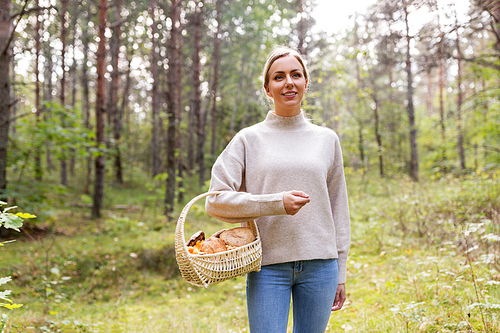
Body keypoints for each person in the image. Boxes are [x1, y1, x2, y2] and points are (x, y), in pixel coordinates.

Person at [205, 46, 350, 333]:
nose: (289, 82)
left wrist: (341, 271)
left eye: (296, 75)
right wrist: (275, 202)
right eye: (279, 76)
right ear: (268, 88)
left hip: (321, 266)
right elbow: (216, 201)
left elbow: (338, 207)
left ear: (306, 83)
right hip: (268, 267)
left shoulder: (327, 140)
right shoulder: (248, 140)